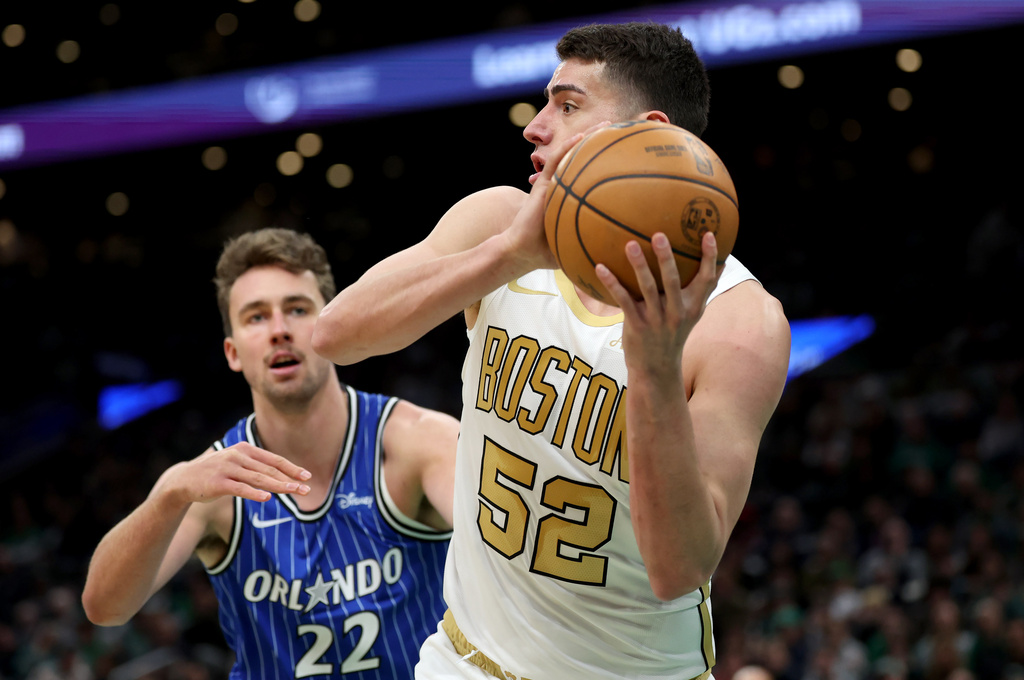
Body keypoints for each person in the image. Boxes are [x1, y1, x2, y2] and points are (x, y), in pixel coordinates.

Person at [312, 21, 791, 680]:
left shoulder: (740, 323)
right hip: (465, 660)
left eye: (567, 106)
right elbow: (335, 336)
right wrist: (510, 252)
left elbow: (679, 566)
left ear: (644, 134)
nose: (535, 127)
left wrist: (652, 364)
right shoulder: (498, 226)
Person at [81, 227, 459, 679]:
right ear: (233, 351)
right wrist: (169, 494)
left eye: (297, 309)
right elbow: (104, 607)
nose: (279, 330)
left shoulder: (418, 441)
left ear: (335, 324)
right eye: (256, 317)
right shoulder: (209, 484)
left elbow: (507, 551)